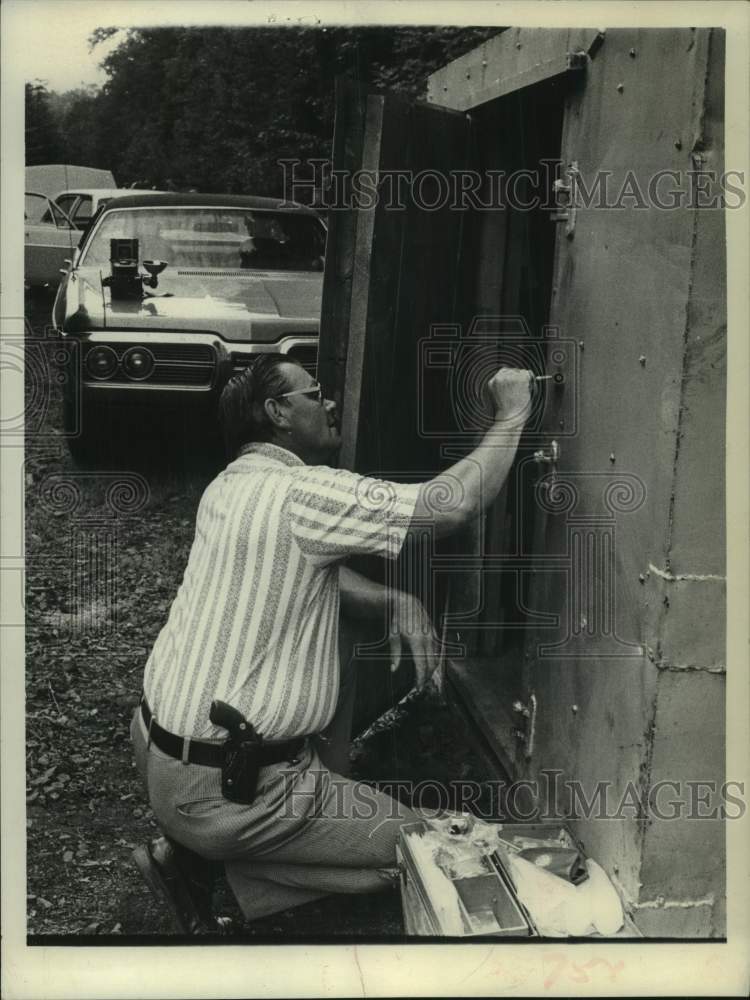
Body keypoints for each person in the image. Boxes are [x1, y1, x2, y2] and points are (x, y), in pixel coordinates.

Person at [131, 354, 532, 931]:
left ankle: (203, 861)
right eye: (314, 393)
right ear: (278, 413)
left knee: (388, 850)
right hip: (240, 791)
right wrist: (511, 416)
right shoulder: (304, 491)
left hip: (162, 759)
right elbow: (454, 505)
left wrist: (396, 601)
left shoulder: (230, 486)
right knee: (433, 852)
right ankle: (223, 877)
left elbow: (306, 566)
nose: (330, 402)